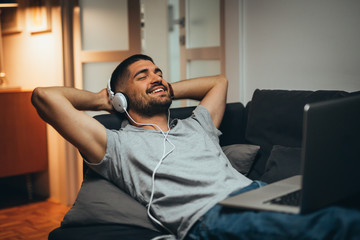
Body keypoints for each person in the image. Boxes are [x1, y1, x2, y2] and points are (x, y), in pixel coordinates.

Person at [32, 54, 360, 240]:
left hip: (260, 193)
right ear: (119, 96)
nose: (155, 77)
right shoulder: (115, 144)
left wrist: (163, 87)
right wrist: (101, 101)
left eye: (158, 72)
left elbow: (219, 81)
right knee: (338, 226)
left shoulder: (197, 124)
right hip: (213, 217)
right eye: (142, 76)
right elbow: (44, 97)